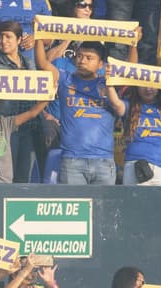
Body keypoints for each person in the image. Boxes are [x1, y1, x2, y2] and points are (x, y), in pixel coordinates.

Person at [37, 38, 120, 185]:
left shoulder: (108, 85)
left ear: (101, 64)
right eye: (79, 56)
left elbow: (129, 71)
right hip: (72, 162)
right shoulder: (65, 80)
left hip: (104, 162)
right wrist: (38, 36)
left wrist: (133, 45)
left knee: (103, 202)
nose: (82, 61)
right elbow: (42, 63)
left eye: (89, 58)